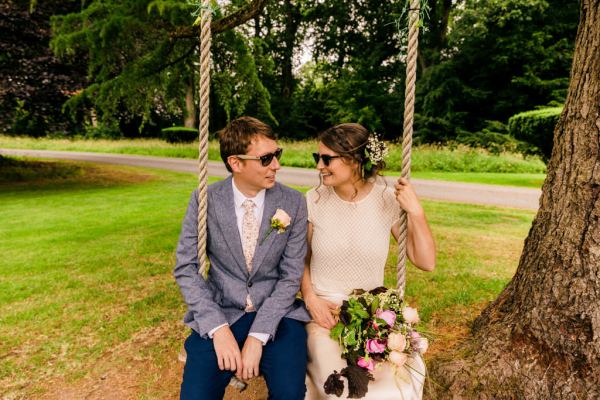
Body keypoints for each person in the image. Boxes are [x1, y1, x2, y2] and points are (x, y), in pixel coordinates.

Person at [174, 116, 310, 400]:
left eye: (277, 155)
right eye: (266, 158)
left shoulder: (294, 202)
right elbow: (186, 268)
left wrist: (258, 336)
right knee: (195, 396)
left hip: (278, 314)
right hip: (222, 311)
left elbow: (290, 276)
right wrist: (217, 328)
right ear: (236, 163)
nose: (277, 165)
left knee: (290, 393)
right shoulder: (205, 200)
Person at [301, 123, 436, 399]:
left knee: (388, 387)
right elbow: (298, 260)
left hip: (371, 316)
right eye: (318, 158)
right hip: (325, 315)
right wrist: (310, 298)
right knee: (344, 388)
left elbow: (426, 261)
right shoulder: (314, 200)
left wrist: (416, 212)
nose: (319, 166)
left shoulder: (386, 200)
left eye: (327, 159)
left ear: (353, 160)